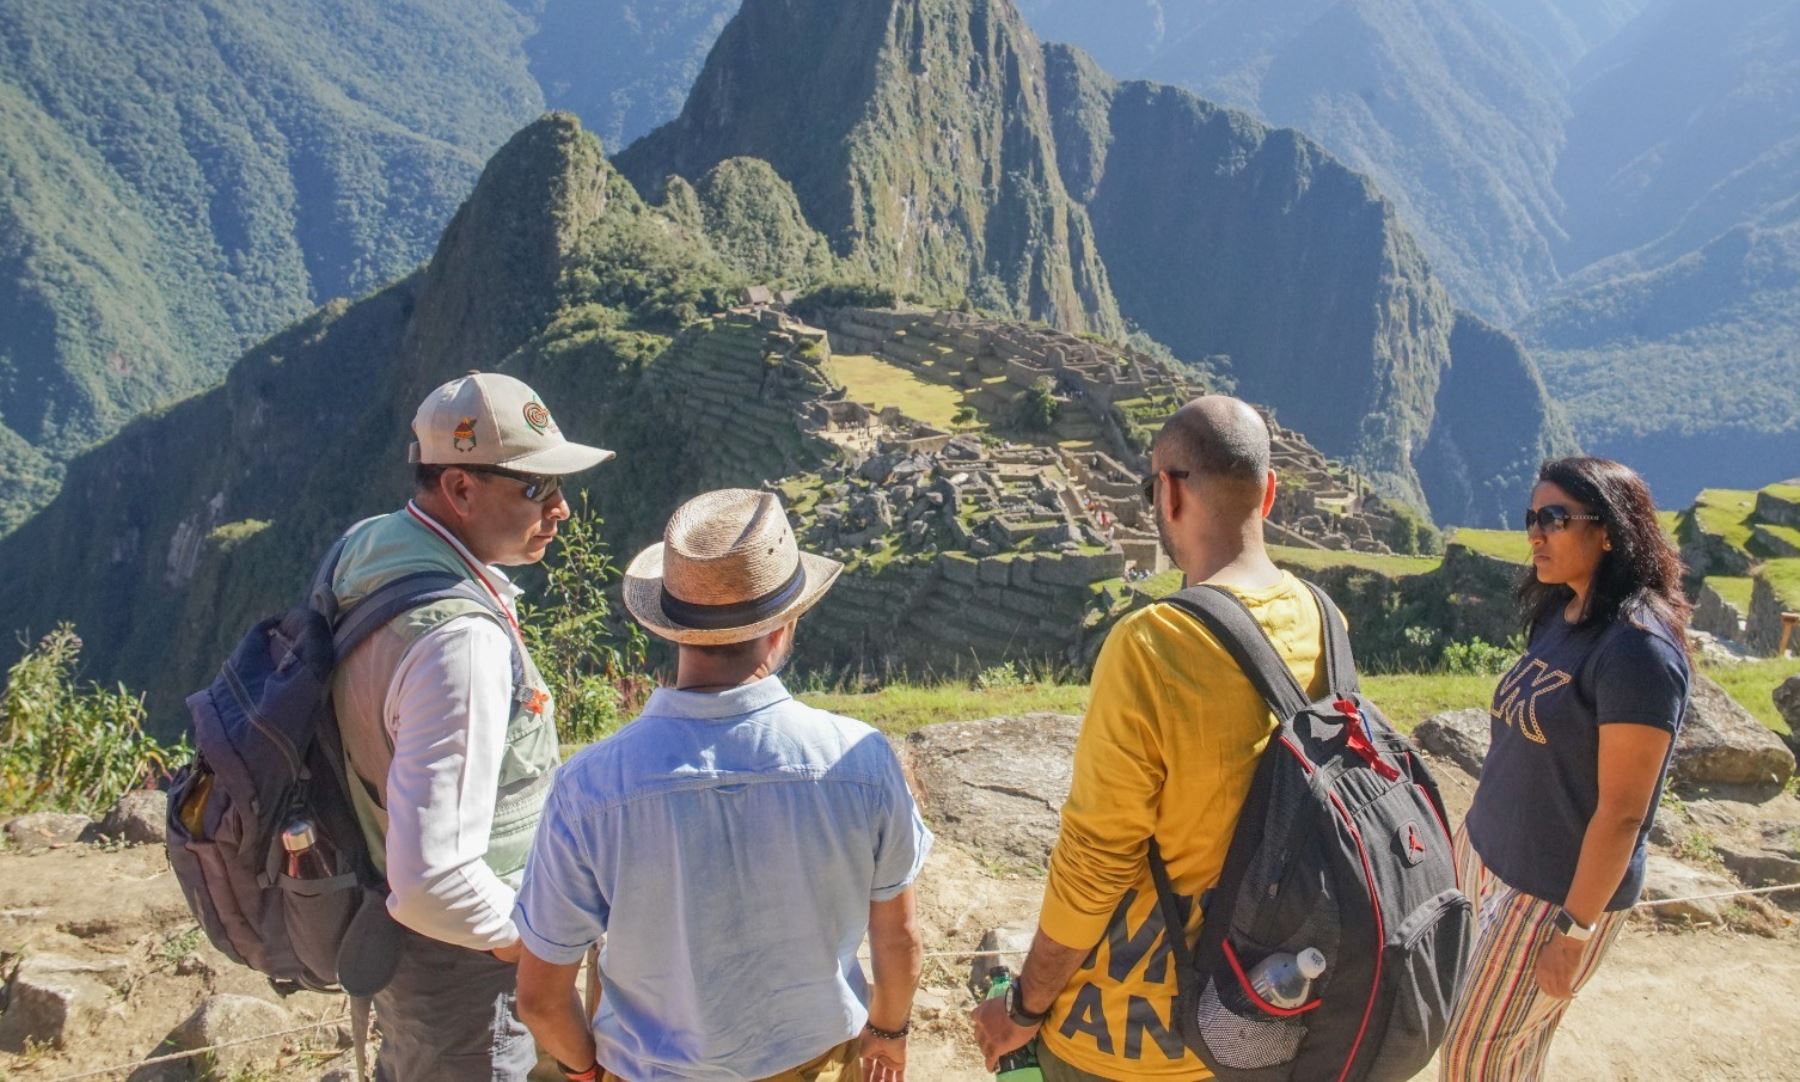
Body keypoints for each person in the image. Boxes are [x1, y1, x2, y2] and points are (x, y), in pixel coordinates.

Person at [513, 488, 932, 1082]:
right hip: (811, 1061)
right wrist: (888, 1035)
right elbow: (900, 940)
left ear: (670, 627)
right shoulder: (860, 764)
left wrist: (585, 1070)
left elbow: (540, 999)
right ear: (785, 627)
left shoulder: (589, 790)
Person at [972, 395, 1331, 1080]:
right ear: (1271, 492)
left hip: (1130, 1035)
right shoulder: (1325, 621)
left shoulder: (1153, 644)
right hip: (1261, 1012)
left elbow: (1096, 860)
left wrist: (1023, 1005)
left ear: (1167, 493)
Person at [330, 372, 613, 1080]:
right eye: (535, 489)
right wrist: (528, 943)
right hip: (464, 971)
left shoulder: (371, 549)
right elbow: (433, 881)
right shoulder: (457, 642)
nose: (561, 510)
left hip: (401, 934)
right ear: (459, 489)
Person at [1440, 457, 1691, 1081]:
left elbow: (1625, 811)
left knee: (1480, 1059)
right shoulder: (1565, 614)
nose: (1535, 534)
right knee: (1490, 1050)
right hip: (1487, 856)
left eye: (1554, 518)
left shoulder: (1639, 650)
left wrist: (1575, 929)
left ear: (1608, 529)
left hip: (1548, 894)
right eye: (1532, 518)